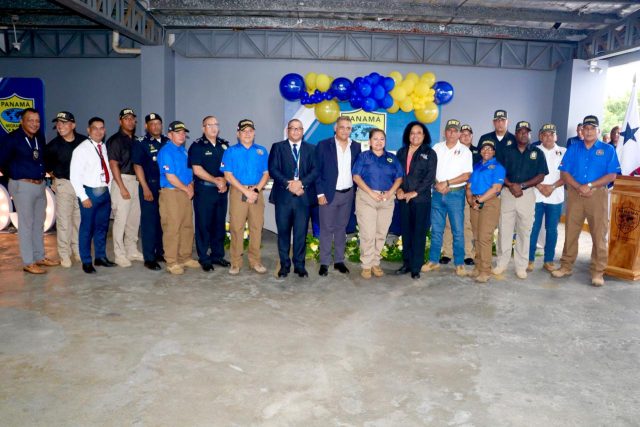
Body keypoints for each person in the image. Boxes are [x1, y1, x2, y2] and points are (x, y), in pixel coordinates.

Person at [552, 115, 620, 287]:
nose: (588, 131)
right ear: (581, 131)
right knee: (571, 231)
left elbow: (612, 175)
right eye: (586, 128)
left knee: (598, 233)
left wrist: (590, 185)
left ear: (598, 131)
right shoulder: (574, 148)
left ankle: (597, 271)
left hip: (597, 195)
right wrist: (578, 187)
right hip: (575, 194)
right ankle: (566, 266)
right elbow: (564, 172)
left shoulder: (608, 149)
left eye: (592, 128)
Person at [0, 108, 59, 274]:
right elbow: (2, 161)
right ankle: (28, 262)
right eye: (30, 120)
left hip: (40, 185)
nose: (34, 124)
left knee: (39, 223)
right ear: (22, 121)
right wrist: (15, 175)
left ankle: (39, 256)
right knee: (26, 224)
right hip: (22, 185)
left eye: (37, 121)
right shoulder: (12, 138)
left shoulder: (39, 137)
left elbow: (41, 158)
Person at [493, 121, 548, 279]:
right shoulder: (506, 151)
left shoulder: (537, 152)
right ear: (516, 134)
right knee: (505, 229)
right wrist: (511, 185)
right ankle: (501, 264)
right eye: (520, 131)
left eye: (526, 132)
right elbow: (499, 171)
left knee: (524, 231)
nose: (524, 134)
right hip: (507, 194)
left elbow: (541, 175)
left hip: (527, 195)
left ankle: (521, 266)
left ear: (530, 134)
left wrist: (522, 185)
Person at [422, 119, 473, 277]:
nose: (452, 133)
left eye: (455, 130)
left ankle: (459, 263)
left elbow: (466, 175)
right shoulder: (437, 148)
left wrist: (448, 183)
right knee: (437, 230)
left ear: (459, 134)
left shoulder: (465, 151)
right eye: (449, 130)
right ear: (445, 132)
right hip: (438, 193)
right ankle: (433, 261)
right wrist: (438, 184)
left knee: (458, 230)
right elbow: (429, 169)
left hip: (456, 194)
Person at [268, 119, 318, 278]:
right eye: (292, 128)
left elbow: (315, 170)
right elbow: (273, 169)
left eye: (299, 129)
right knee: (283, 233)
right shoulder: (277, 147)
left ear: (303, 131)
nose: (296, 131)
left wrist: (301, 183)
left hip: (303, 197)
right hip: (283, 197)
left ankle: (299, 265)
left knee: (300, 233)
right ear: (287, 131)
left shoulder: (312, 149)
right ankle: (284, 265)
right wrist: (288, 184)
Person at [352, 129, 403, 279]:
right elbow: (356, 177)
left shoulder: (392, 158)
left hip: (386, 199)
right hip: (367, 198)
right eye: (375, 139)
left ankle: (375, 263)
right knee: (368, 233)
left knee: (381, 233)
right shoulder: (363, 157)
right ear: (369, 141)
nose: (379, 142)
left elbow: (399, 178)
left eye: (382, 139)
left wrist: (390, 193)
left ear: (385, 141)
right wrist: (371, 193)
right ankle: (366, 265)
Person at [221, 119, 270, 275]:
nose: (247, 134)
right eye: (244, 131)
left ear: (254, 133)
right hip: (238, 192)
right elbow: (228, 175)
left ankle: (255, 261)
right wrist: (245, 191)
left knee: (257, 227)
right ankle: (235, 262)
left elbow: (266, 174)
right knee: (236, 227)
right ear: (238, 134)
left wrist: (255, 191)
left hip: (256, 192)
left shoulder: (261, 151)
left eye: (250, 131)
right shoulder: (230, 151)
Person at [315, 116, 362, 276]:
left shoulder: (356, 146)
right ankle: (324, 262)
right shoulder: (323, 145)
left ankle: (339, 261)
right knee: (326, 229)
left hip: (348, 194)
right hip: (329, 194)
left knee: (342, 228)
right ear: (335, 128)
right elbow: (317, 171)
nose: (345, 131)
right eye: (342, 127)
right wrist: (320, 193)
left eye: (348, 128)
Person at [69, 117, 116, 274]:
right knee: (87, 228)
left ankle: (100, 257)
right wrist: (83, 197)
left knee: (102, 227)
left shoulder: (103, 147)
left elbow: (107, 170)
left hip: (104, 192)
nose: (98, 131)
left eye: (101, 128)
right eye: (95, 128)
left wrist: (109, 190)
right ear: (88, 130)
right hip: (89, 193)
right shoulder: (81, 149)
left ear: (105, 130)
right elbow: (74, 176)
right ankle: (87, 261)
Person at [189, 115, 231, 272]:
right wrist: (215, 180)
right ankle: (204, 258)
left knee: (219, 224)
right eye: (209, 125)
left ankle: (217, 255)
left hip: (221, 191)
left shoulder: (224, 145)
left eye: (216, 125)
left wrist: (225, 182)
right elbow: (197, 170)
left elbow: (229, 167)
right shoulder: (197, 146)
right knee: (203, 225)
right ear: (203, 128)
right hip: (204, 191)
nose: (214, 128)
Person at [44, 111, 86, 268]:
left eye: (64, 123)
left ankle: (77, 250)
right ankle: (64, 254)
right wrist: (57, 179)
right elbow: (46, 165)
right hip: (64, 184)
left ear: (73, 125)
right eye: (58, 123)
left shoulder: (83, 141)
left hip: (81, 185)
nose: (60, 126)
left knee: (79, 220)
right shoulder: (53, 146)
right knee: (64, 221)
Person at [395, 122, 437, 279]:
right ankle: (406, 264)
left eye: (419, 133)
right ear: (408, 135)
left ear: (424, 135)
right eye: (412, 133)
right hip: (403, 199)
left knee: (418, 233)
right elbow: (397, 174)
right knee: (406, 232)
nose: (415, 136)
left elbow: (429, 177)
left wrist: (415, 192)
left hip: (421, 200)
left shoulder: (430, 153)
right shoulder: (401, 152)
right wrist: (399, 190)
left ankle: (415, 267)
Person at [157, 121, 200, 275]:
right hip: (172, 193)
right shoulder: (166, 151)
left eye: (183, 132)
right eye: (178, 132)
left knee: (186, 226)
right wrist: (186, 188)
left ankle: (185, 257)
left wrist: (191, 186)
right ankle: (172, 261)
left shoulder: (184, 151)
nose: (182, 135)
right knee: (172, 227)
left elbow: (190, 173)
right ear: (170, 135)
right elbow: (170, 176)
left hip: (185, 192)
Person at [132, 113, 169, 271]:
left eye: (158, 123)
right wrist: (145, 187)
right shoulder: (141, 142)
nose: (155, 126)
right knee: (149, 223)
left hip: (166, 187)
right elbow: (137, 166)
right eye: (152, 124)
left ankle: (160, 252)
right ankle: (149, 257)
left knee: (162, 221)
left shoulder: (168, 141)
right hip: (150, 187)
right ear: (146, 126)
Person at [106, 108, 142, 267]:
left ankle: (131, 250)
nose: (130, 121)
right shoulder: (115, 140)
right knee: (120, 220)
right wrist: (121, 187)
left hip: (135, 181)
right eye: (126, 118)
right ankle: (119, 254)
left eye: (132, 118)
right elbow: (113, 164)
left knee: (134, 220)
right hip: (122, 180)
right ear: (120, 121)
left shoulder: (136, 140)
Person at [528, 124, 565, 273]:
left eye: (551, 134)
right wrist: (540, 187)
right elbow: (528, 172)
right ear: (540, 137)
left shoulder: (564, 152)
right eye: (545, 134)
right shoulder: (533, 151)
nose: (548, 137)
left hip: (555, 197)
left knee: (552, 230)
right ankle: (529, 259)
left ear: (556, 137)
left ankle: (548, 260)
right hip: (536, 195)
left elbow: (567, 175)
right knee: (533, 228)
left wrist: (551, 187)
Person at [466, 140, 505, 283]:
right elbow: (469, 186)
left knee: (484, 237)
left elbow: (496, 188)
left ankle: (485, 270)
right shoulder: (476, 166)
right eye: (484, 148)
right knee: (476, 236)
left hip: (489, 203)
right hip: (475, 203)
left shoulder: (498, 167)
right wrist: (471, 200)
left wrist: (479, 201)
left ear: (494, 152)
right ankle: (478, 266)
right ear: (480, 151)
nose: (486, 151)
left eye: (490, 149)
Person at [440, 123, 476, 266]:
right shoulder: (452, 150)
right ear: (459, 135)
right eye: (463, 134)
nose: (465, 137)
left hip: (470, 193)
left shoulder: (479, 152)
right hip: (454, 191)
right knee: (449, 223)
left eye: (468, 134)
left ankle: (468, 254)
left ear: (472, 136)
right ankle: (447, 253)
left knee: (466, 224)